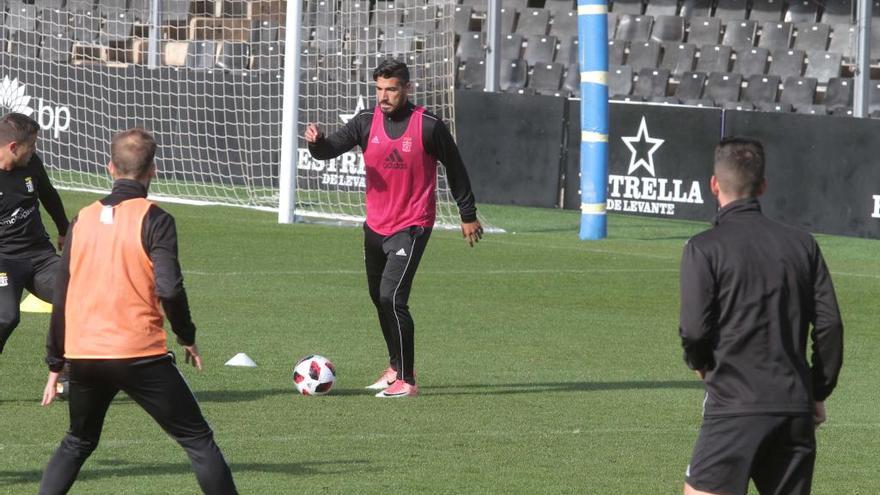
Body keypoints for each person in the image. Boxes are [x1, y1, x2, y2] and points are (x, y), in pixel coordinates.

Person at [39, 129, 237, 494]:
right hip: (138, 354)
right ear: (154, 170)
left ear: (110, 168)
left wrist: (56, 362)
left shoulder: (81, 220)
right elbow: (170, 288)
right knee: (197, 440)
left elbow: (61, 293)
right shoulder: (155, 219)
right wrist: (186, 336)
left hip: (84, 355)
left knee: (78, 442)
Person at [305, 59, 483, 398]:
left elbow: (455, 168)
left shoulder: (428, 126)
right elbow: (329, 150)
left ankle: (408, 381)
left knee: (393, 297)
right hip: (375, 226)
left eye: (391, 89)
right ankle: (394, 368)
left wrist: (467, 213)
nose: (384, 96)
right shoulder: (364, 122)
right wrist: (317, 143)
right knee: (378, 298)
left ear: (407, 89)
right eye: (379, 89)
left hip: (412, 226)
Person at [679, 137, 844, 495]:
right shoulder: (803, 245)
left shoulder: (703, 248)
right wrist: (816, 390)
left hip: (733, 408)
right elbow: (829, 325)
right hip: (793, 410)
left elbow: (694, 330)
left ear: (713, 184)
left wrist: (701, 363)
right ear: (763, 186)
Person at [0, 113, 69, 355]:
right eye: (31, 145)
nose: (34, 150)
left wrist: (63, 229)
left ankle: (66, 370)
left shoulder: (32, 163)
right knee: (5, 317)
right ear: (13, 147)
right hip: (5, 260)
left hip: (41, 255)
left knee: (78, 298)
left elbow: (48, 194)